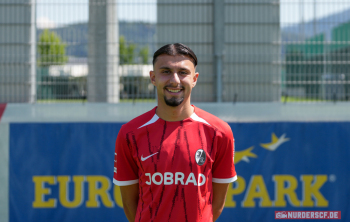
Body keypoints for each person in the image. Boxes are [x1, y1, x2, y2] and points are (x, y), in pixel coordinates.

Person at [113, 43, 237, 222]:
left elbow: (216, 205)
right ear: (153, 77)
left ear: (194, 79)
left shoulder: (220, 132)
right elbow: (129, 203)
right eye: (166, 71)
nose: (175, 80)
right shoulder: (130, 133)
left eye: (183, 72)